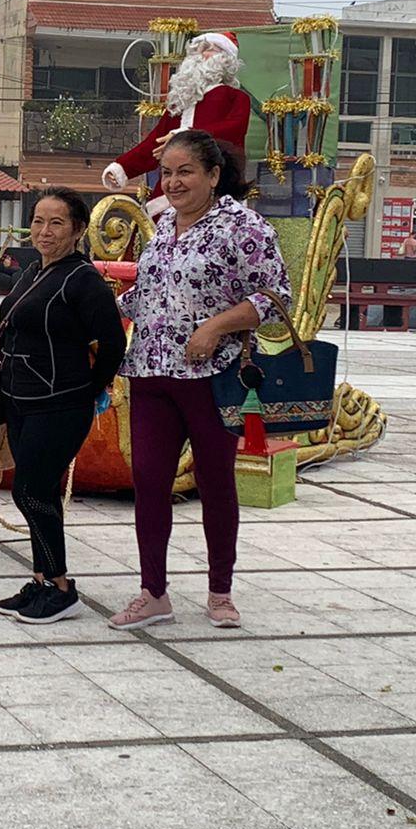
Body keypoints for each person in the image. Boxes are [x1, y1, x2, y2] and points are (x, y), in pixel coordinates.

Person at [108, 130, 290, 631]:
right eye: (167, 172)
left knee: (215, 484)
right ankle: (153, 593)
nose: (174, 181)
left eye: (185, 171)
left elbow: (277, 300)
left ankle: (220, 592)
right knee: (147, 482)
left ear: (213, 175)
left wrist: (214, 327)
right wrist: (97, 315)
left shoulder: (244, 227)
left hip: (213, 377)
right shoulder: (162, 226)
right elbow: (147, 297)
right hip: (150, 372)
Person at [0, 187, 127, 625]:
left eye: (56, 223)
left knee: (31, 491)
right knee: (33, 492)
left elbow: (113, 344)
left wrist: (88, 390)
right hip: (18, 398)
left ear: (78, 230)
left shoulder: (83, 281)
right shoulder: (32, 273)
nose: (44, 231)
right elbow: (9, 331)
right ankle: (42, 580)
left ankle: (61, 588)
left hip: (59, 404)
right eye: (38, 221)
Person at [102, 32, 251, 216]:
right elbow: (154, 142)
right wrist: (122, 167)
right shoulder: (180, 101)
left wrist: (185, 137)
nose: (203, 55)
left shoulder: (235, 97)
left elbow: (233, 130)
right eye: (199, 50)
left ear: (227, 60)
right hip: (170, 190)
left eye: (211, 50)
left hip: (214, 187)